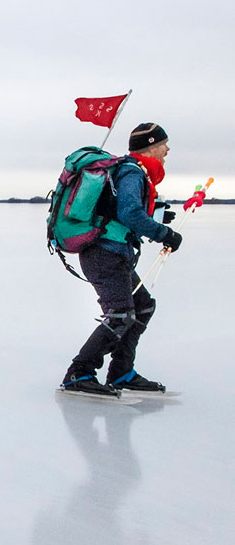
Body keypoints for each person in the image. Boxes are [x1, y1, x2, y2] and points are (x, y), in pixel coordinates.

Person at [61, 122, 182, 397]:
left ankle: (122, 372)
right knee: (120, 315)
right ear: (150, 146)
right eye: (164, 145)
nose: (167, 150)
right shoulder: (131, 172)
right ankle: (78, 373)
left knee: (143, 307)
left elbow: (121, 212)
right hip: (105, 254)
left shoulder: (132, 172)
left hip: (114, 253)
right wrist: (164, 234)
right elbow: (130, 214)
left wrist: (157, 218)